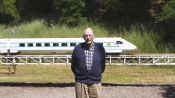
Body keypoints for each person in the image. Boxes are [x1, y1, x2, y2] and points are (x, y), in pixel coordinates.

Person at [71, 27, 106, 98]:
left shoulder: (100, 48)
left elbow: (103, 65)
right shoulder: (77, 48)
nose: (88, 37)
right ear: (83, 37)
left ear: (94, 36)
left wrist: (95, 74)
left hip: (95, 81)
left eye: (90, 35)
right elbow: (73, 65)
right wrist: (79, 75)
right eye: (86, 35)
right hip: (81, 82)